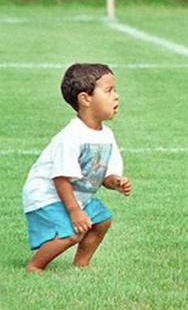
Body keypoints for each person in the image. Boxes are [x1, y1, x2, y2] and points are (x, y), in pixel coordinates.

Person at [22, 63, 131, 272]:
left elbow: (105, 175)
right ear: (85, 99)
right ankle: (35, 266)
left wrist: (116, 181)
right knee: (73, 232)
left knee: (103, 220)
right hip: (47, 195)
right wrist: (74, 212)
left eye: (115, 90)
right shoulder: (72, 136)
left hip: (75, 195)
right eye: (109, 91)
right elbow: (60, 178)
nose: (116, 96)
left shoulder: (106, 135)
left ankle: (81, 265)